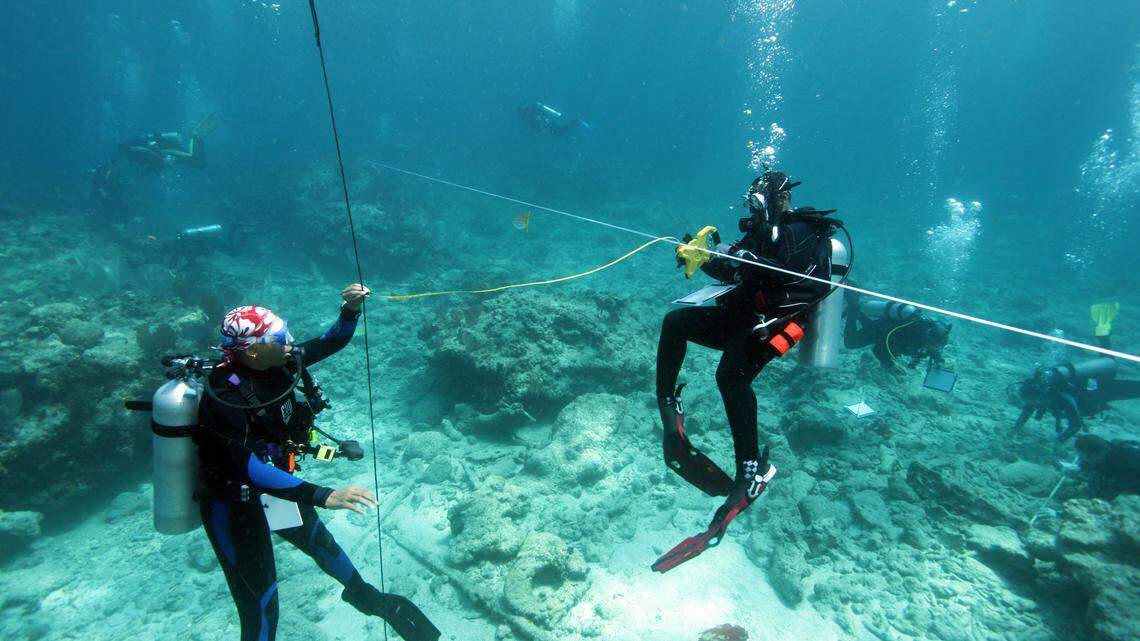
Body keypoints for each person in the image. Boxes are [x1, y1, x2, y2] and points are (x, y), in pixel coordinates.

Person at [195, 284, 440, 641]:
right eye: (278, 336)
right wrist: (323, 494)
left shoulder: (279, 361)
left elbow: (331, 341)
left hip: (277, 483)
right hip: (233, 505)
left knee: (322, 545)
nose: (289, 340)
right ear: (250, 351)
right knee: (262, 607)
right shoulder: (223, 396)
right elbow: (246, 467)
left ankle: (367, 597)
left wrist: (350, 310)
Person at [651, 171, 842, 572]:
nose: (753, 212)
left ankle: (751, 473)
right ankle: (669, 406)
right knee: (676, 323)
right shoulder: (758, 233)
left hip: (776, 324)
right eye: (750, 204)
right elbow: (733, 271)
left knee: (731, 376)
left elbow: (807, 281)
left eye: (759, 204)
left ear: (779, 200)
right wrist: (702, 258)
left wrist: (754, 261)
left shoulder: (804, 233)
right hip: (742, 317)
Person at [1011, 303, 1139, 442]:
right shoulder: (1042, 390)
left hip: (1103, 391)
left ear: (1037, 395)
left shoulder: (1060, 397)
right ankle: (1102, 328)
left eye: (1033, 401)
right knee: (1107, 357)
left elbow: (1076, 425)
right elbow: (1028, 410)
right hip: (1096, 379)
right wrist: (1015, 430)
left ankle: (1103, 328)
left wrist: (1058, 444)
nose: (1034, 405)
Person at [843, 295, 952, 370]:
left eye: (938, 347)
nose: (934, 349)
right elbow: (878, 349)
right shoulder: (910, 336)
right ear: (929, 338)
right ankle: (853, 309)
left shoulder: (927, 332)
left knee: (869, 328)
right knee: (850, 343)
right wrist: (890, 365)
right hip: (880, 332)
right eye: (935, 346)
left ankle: (856, 308)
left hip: (883, 329)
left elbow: (933, 349)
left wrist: (939, 361)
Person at [120, 113, 219, 173]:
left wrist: (160, 159)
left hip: (165, 149)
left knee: (192, 157)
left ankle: (195, 135)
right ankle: (198, 139)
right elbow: (150, 162)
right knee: (200, 165)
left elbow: (147, 151)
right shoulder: (132, 156)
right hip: (167, 155)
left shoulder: (132, 150)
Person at [1072, 434, 1140, 499]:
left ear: (1098, 455)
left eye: (1083, 457)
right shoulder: (1105, 450)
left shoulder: (1125, 461)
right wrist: (1079, 469)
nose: (1082, 460)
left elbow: (1111, 490)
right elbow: (1093, 464)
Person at [88, 159, 128, 226]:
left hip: (109, 193)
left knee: (117, 207)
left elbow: (111, 184)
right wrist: (102, 192)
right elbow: (100, 184)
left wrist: (121, 185)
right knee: (109, 208)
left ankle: (108, 223)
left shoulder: (111, 173)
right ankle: (105, 223)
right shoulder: (101, 173)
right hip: (102, 193)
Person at [517, 101, 588, 135]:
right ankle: (575, 122)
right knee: (558, 132)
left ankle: (575, 122)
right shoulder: (529, 112)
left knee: (558, 132)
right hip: (546, 122)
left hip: (546, 122)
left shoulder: (529, 112)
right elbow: (535, 125)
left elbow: (536, 121)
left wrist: (541, 125)